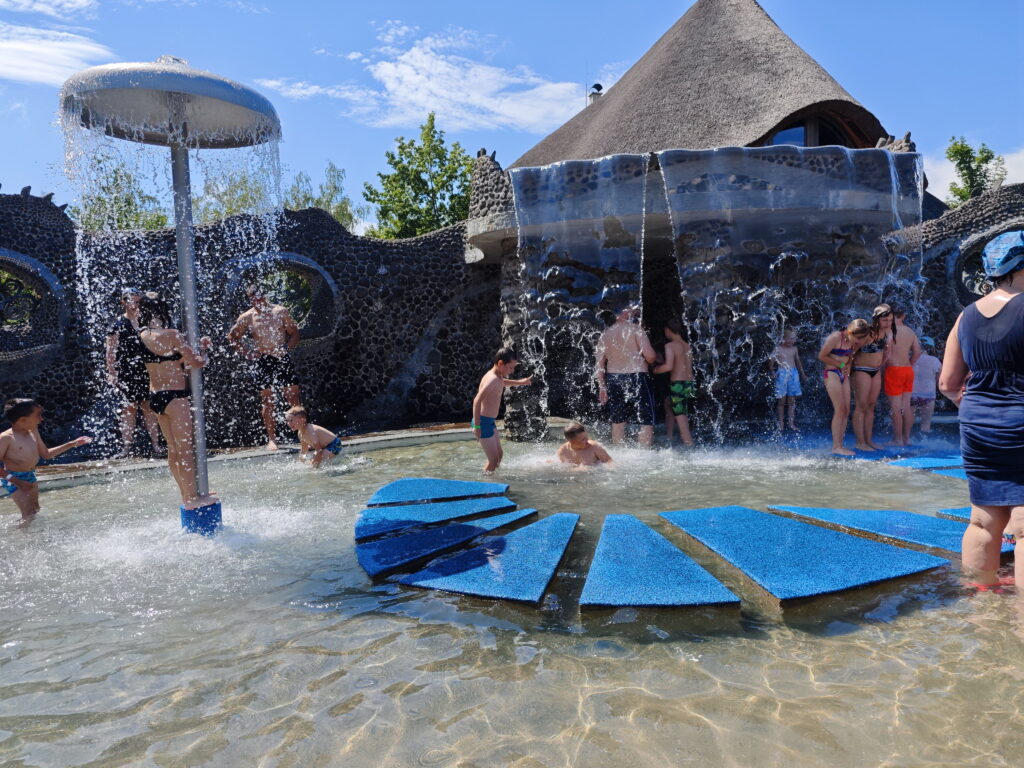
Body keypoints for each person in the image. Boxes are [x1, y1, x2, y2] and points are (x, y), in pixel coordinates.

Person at [939, 230, 1024, 589]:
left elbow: (947, 383)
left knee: (982, 520)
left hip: (977, 425)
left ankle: (980, 599)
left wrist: (976, 408)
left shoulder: (966, 317)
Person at [137, 293, 215, 510]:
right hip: (175, 397)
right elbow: (196, 362)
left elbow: (168, 359)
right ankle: (191, 499)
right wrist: (205, 351)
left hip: (155, 396)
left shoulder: (142, 334)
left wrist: (192, 347)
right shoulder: (172, 334)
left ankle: (185, 493)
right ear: (164, 310)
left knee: (173, 449)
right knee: (185, 449)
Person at [226, 284, 301, 450]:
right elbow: (232, 337)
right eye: (253, 298)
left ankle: (302, 433)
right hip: (263, 359)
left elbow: (295, 334)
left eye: (259, 297)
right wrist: (247, 353)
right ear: (250, 299)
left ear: (264, 296)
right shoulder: (247, 316)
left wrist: (286, 348)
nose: (257, 300)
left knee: (292, 396)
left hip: (281, 357)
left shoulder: (280, 311)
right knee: (268, 400)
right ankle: (272, 439)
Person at [1, 398, 90, 523]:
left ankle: (31, 535)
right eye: (38, 415)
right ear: (23, 420)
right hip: (13, 479)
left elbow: (46, 454)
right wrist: (18, 482)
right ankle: (20, 539)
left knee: (35, 510)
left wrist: (72, 444)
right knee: (28, 513)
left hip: (30, 475)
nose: (41, 419)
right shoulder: (6, 438)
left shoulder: (33, 431)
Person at [105, 288, 164, 458]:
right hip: (126, 370)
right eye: (131, 301)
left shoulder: (146, 321)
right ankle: (126, 447)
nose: (134, 305)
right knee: (128, 408)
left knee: (148, 407)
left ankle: (156, 445)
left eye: (138, 302)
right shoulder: (117, 324)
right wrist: (111, 371)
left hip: (146, 369)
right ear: (123, 303)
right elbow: (110, 350)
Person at [595, 305, 658, 446]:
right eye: (632, 310)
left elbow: (599, 365)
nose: (635, 313)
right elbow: (650, 356)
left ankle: (619, 452)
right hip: (637, 376)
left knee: (617, 420)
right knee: (646, 419)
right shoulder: (635, 330)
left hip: (613, 378)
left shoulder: (604, 335)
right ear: (623, 313)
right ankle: (645, 454)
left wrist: (602, 386)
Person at [471, 347, 532, 473]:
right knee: (493, 460)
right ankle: (486, 487)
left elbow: (502, 383)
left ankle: (491, 480)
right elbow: (477, 401)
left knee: (499, 456)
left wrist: (520, 382)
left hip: (489, 421)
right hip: (482, 422)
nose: (512, 370)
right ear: (500, 363)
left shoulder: (497, 377)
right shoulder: (492, 378)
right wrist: (477, 427)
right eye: (510, 367)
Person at [817, 319, 870, 456]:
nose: (858, 343)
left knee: (846, 410)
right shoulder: (835, 337)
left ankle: (840, 444)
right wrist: (840, 365)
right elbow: (821, 356)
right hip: (832, 373)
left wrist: (848, 367)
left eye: (861, 340)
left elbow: (851, 356)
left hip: (843, 374)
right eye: (857, 339)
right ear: (849, 332)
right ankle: (836, 446)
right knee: (839, 409)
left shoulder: (856, 341)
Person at [851, 305, 893, 451]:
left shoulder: (886, 332)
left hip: (876, 371)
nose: (888, 323)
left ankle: (869, 441)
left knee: (871, 406)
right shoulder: (866, 332)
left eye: (890, 320)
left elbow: (885, 350)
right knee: (861, 406)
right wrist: (844, 367)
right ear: (876, 319)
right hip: (861, 370)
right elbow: (852, 351)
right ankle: (860, 442)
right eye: (885, 320)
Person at [884, 307, 922, 447]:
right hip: (907, 370)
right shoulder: (910, 332)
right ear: (904, 316)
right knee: (905, 406)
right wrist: (910, 365)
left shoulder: (890, 330)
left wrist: (882, 366)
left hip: (894, 370)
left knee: (895, 408)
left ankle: (898, 440)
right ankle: (907, 439)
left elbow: (887, 352)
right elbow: (917, 351)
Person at [654, 318, 696, 445]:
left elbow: (669, 367)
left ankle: (689, 446)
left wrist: (656, 369)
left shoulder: (670, 345)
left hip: (677, 385)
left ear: (667, 330)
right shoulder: (687, 346)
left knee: (681, 417)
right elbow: (681, 364)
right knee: (669, 404)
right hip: (688, 384)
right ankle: (669, 436)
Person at [769, 327, 804, 433]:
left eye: (794, 338)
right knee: (781, 401)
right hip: (782, 373)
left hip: (793, 374)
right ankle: (781, 423)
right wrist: (772, 372)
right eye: (790, 338)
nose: (792, 341)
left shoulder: (794, 349)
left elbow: (798, 361)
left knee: (791, 400)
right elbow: (771, 362)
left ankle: (791, 423)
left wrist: (802, 374)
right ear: (783, 338)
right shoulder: (777, 348)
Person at [910, 336, 942, 437]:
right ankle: (925, 441)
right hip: (929, 395)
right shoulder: (935, 361)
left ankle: (906, 439)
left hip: (912, 395)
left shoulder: (909, 359)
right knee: (926, 424)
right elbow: (940, 381)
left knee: (908, 423)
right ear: (931, 348)